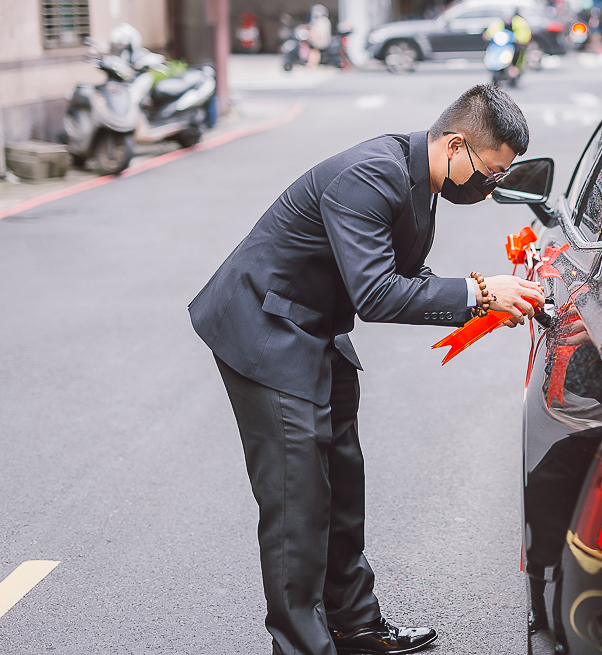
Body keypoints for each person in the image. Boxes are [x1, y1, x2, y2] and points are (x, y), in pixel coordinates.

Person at [189, 85, 545, 655]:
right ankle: (302, 646)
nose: (491, 187)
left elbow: (408, 275)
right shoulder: (370, 176)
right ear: (456, 146)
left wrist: (486, 306)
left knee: (343, 485)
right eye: (490, 172)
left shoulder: (422, 180)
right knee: (298, 502)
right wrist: (479, 293)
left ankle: (355, 626)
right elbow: (378, 293)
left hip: (316, 327)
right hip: (265, 327)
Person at [484, 12, 532, 78]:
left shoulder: (519, 21)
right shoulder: (499, 22)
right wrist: (488, 36)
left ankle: (515, 68)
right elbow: (491, 31)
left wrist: (519, 39)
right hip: (502, 45)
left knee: (517, 51)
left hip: (513, 44)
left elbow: (524, 34)